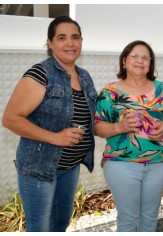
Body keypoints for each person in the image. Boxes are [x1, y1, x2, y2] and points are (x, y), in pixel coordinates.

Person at [2, 16, 97, 232]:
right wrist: (56, 137)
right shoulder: (41, 73)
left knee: (60, 224)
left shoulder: (84, 76)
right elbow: (10, 119)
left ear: (82, 41)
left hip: (70, 167)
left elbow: (90, 118)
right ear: (50, 43)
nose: (70, 43)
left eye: (75, 37)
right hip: (39, 168)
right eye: (61, 37)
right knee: (40, 228)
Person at [94, 40, 163, 232]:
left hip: (157, 163)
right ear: (124, 61)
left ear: (151, 63)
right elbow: (97, 127)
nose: (140, 61)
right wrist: (119, 127)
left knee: (150, 217)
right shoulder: (109, 93)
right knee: (128, 219)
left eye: (145, 57)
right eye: (135, 56)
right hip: (121, 163)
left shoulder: (162, 89)